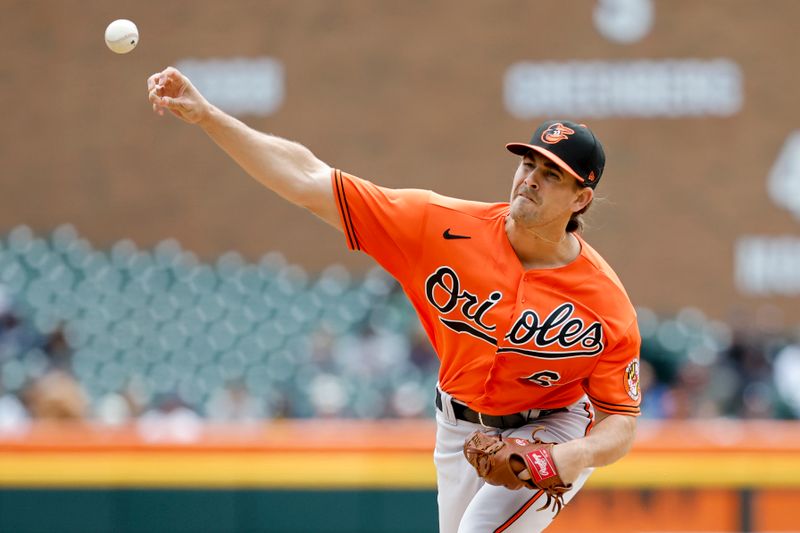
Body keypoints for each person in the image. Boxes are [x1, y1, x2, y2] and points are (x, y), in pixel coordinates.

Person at [147, 67, 641, 532]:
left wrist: (570, 457)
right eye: (528, 162)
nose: (530, 178)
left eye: (552, 174)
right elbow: (307, 179)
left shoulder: (605, 301)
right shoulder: (439, 227)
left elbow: (620, 420)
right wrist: (209, 116)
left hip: (553, 427)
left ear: (581, 198)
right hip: (458, 430)